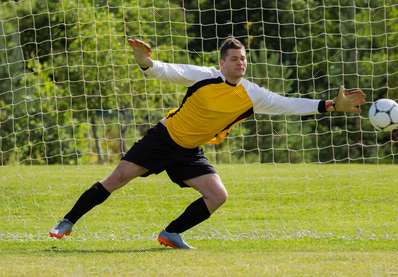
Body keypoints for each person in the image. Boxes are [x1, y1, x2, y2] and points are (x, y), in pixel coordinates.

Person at [49, 38, 366, 248]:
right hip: (163, 139)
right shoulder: (204, 75)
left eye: (243, 59)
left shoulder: (252, 94)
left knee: (217, 196)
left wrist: (328, 105)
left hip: (190, 151)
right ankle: (67, 222)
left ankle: (170, 233)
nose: (240, 63)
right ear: (222, 62)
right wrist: (144, 61)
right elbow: (166, 71)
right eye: (234, 59)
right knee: (116, 179)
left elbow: (286, 103)